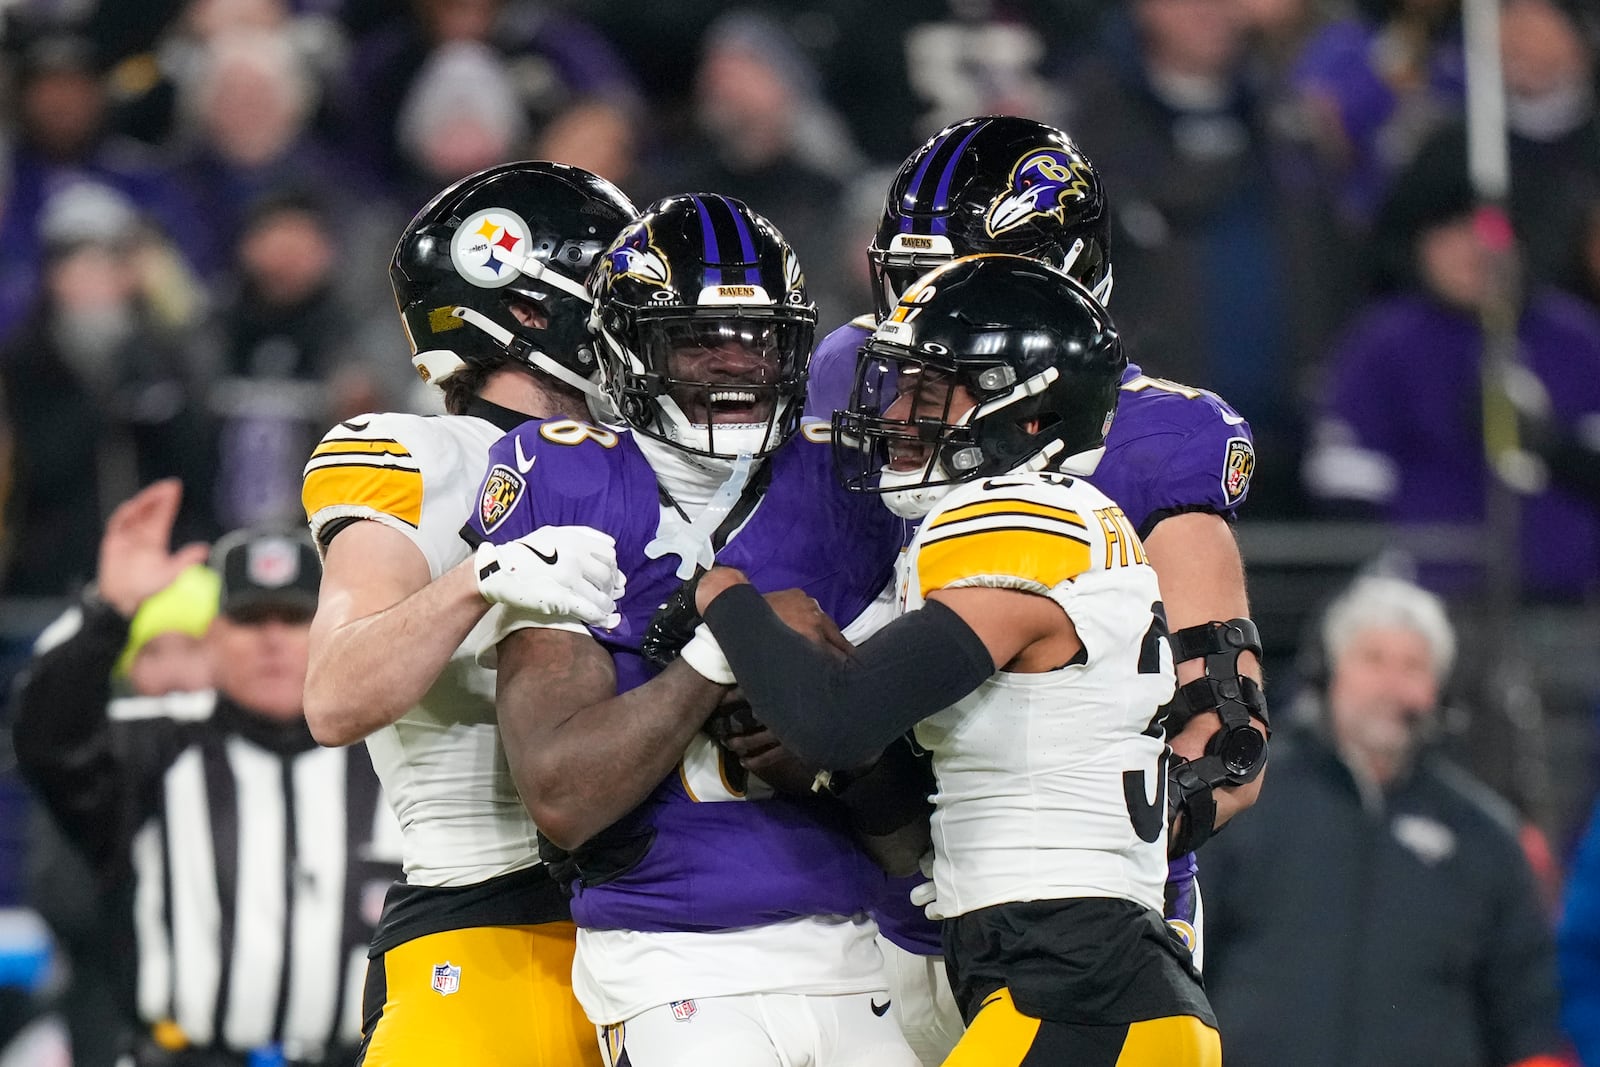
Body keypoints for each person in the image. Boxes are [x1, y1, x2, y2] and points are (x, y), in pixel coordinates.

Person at [803, 114, 1265, 1064]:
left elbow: (1225, 741)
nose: (928, 306)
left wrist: (1056, 865)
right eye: (913, 276)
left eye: (959, 275)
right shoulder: (857, 379)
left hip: (1070, 936)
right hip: (869, 888)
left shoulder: (1153, 442)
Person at [693, 254, 1226, 1065]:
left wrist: (722, 596)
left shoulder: (1016, 516)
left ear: (1029, 410)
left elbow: (834, 718)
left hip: (1075, 986)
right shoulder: (1081, 519)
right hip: (1087, 982)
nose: (901, 411)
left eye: (931, 389)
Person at [465, 192, 920, 1067]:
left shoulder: (848, 479)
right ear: (627, 347)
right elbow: (561, 794)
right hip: (672, 956)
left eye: (757, 338)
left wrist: (836, 751)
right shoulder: (564, 476)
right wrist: (726, 644)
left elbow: (918, 796)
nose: (735, 365)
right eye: (698, 338)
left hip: (866, 944)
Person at [299, 161, 634, 1067]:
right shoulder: (421, 453)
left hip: (669, 926)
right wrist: (478, 578)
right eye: (615, 289)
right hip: (495, 925)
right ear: (527, 308)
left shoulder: (652, 460)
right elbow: (334, 695)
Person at [12, 479, 402, 1067]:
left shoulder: (391, 749)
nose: (271, 639)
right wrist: (106, 613)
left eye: (293, 618)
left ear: (328, 628)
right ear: (213, 637)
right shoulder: (154, 741)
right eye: (250, 619)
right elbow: (45, 735)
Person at [1200, 575, 1564, 1067]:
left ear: (1438, 688)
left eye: (1413, 666)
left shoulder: (1485, 835)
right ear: (1329, 672)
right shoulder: (1243, 802)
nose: (1391, 686)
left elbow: (1527, 1012)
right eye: (1372, 660)